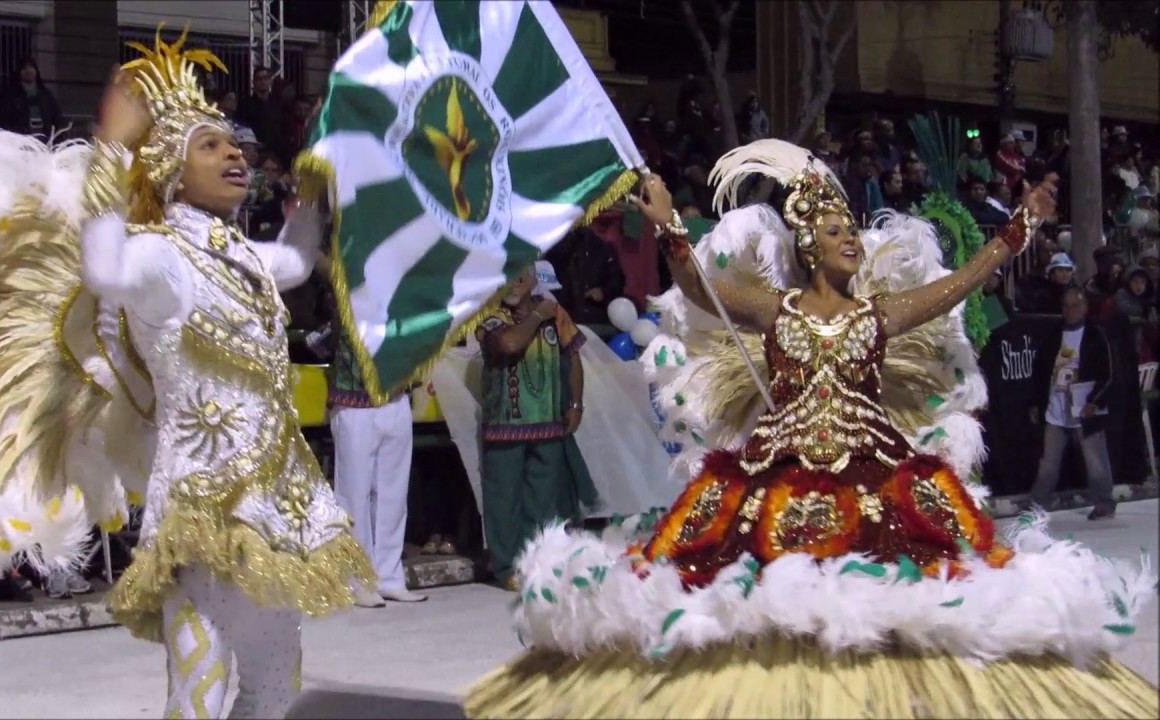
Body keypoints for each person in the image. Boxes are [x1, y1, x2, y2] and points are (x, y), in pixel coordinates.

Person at [465, 140, 1157, 718]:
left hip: (874, 461)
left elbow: (959, 285)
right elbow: (701, 289)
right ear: (809, 244)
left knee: (909, 578)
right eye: (834, 231)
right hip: (779, 461)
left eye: (852, 230)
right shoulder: (777, 308)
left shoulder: (878, 314)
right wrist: (673, 228)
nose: (850, 239)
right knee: (739, 575)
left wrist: (1017, 231)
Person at [0, 30, 374, 719]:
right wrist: (112, 150)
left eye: (235, 144)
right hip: (200, 516)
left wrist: (316, 187)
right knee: (197, 698)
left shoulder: (244, 259)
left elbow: (294, 260)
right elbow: (104, 268)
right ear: (172, 172)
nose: (235, 153)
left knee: (275, 690)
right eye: (211, 146)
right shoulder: (160, 256)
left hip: (273, 509)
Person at [476, 265, 599, 591]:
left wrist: (576, 404)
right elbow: (508, 345)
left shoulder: (556, 314)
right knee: (504, 500)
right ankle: (506, 567)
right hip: (504, 427)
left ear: (534, 280)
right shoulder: (490, 315)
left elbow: (573, 358)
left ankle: (540, 563)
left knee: (543, 501)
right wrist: (536, 317)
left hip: (547, 425)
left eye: (523, 274)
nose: (516, 281)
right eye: (510, 274)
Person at [327, 309, 427, 608]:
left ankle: (389, 578)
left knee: (392, 496)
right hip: (354, 403)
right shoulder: (347, 294)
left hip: (395, 400)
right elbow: (323, 340)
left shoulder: (400, 299)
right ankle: (357, 580)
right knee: (354, 496)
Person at [1026, 287, 1117, 518]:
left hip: (1085, 411)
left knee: (1095, 461)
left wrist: (1094, 402)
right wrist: (1036, 402)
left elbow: (1108, 374)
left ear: (1085, 307)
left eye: (1075, 305)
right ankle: (1037, 506)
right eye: (1066, 306)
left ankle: (1104, 503)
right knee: (1048, 463)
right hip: (1056, 411)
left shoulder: (1096, 336)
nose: (1070, 310)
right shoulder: (1053, 335)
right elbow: (1040, 371)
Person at [544, 225, 627, 326]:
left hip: (592, 315)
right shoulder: (549, 247)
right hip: (561, 316)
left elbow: (617, 280)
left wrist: (603, 292)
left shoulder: (600, 246)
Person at [0, 57, 65, 139]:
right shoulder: (10, 95)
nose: (28, 71)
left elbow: (57, 119)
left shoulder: (46, 95)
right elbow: (5, 120)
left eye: (31, 67)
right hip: (20, 140)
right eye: (24, 68)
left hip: (44, 139)